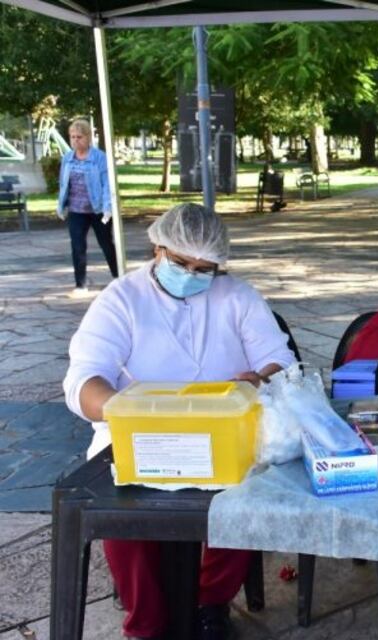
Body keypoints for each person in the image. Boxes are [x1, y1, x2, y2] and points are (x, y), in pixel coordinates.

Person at [63, 203, 297, 640]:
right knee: (125, 523)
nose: (191, 275)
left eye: (204, 268)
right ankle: (145, 622)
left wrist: (259, 379)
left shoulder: (238, 297)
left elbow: (280, 361)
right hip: (136, 436)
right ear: (157, 248)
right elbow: (83, 378)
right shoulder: (122, 299)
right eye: (180, 263)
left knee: (243, 503)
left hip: (225, 434)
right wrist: (123, 410)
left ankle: (212, 603)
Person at [57, 119, 118, 295]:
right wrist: (61, 206)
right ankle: (80, 285)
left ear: (88, 137)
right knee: (77, 246)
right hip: (76, 210)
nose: (76, 140)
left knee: (106, 244)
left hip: (98, 209)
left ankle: (118, 277)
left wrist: (108, 207)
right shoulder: (67, 158)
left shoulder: (99, 157)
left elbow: (107, 184)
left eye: (79, 137)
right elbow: (63, 184)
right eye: (72, 137)